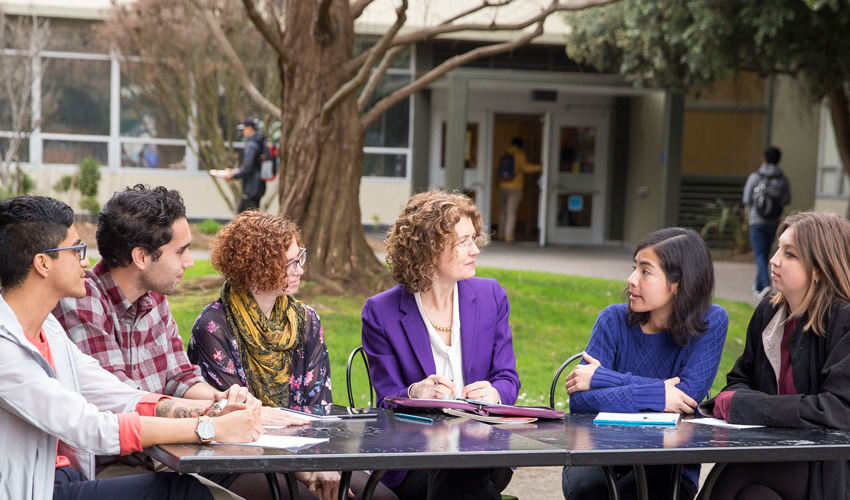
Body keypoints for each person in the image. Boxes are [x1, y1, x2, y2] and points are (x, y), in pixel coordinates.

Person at [0, 195, 263, 500]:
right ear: (43, 263)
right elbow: (92, 427)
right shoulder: (6, 351)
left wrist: (215, 410)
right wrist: (209, 427)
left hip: (61, 474)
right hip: (39, 487)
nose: (85, 260)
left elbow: (120, 395)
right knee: (181, 492)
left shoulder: (49, 330)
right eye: (75, 250)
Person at [52, 185, 303, 482]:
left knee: (285, 486)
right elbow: (123, 403)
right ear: (142, 257)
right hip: (114, 466)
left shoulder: (153, 296)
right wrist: (219, 411)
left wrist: (224, 398)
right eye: (181, 251)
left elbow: (179, 377)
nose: (190, 262)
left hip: (173, 452)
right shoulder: (84, 302)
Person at [187, 210, 397, 500]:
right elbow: (235, 420)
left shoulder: (306, 320)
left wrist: (318, 462)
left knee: (380, 498)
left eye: (301, 257)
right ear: (256, 268)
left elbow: (317, 407)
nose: (301, 269)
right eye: (290, 263)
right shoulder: (213, 327)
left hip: (307, 447)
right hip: (234, 456)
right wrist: (304, 469)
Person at [362, 189, 520, 500]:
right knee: (457, 469)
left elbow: (508, 378)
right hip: (414, 457)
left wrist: (495, 393)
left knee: (464, 459)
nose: (475, 250)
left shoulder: (490, 296)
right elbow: (386, 400)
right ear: (429, 249)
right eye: (463, 242)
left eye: (474, 239)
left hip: (486, 447)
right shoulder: (382, 311)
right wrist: (414, 392)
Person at [562, 227, 729, 500]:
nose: (631, 279)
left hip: (668, 464)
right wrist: (658, 393)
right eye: (634, 267)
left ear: (678, 283)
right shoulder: (613, 319)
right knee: (589, 491)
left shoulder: (711, 321)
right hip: (598, 452)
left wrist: (604, 378)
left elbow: (686, 399)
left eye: (645, 271)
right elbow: (580, 402)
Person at [704, 211, 850, 500]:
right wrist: (740, 401)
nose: (774, 259)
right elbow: (737, 383)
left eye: (790, 253)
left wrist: (751, 407)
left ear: (820, 268)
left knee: (739, 472)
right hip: (775, 453)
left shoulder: (843, 320)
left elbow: (838, 410)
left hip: (829, 466)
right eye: (778, 248)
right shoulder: (769, 312)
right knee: (753, 495)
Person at [743, 146, 791, 299]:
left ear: (764, 159)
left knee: (760, 253)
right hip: (773, 222)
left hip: (756, 221)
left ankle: (764, 284)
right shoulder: (782, 179)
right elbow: (788, 199)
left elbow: (746, 199)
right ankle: (758, 287)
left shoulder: (755, 177)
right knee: (764, 253)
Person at [498, 137, 541, 242]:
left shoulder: (506, 153)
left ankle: (500, 234)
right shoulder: (519, 154)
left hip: (503, 186)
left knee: (503, 211)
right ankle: (508, 236)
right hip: (515, 187)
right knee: (511, 212)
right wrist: (540, 167)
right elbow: (525, 167)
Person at [223, 116, 267, 212]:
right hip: (258, 186)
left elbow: (247, 167)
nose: (243, 132)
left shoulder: (251, 145)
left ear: (249, 129)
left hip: (251, 188)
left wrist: (233, 175)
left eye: (244, 129)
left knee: (245, 218)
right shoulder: (259, 142)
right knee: (249, 216)